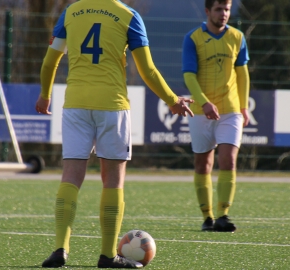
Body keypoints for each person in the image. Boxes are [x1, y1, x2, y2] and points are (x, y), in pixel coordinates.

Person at [36, 0, 194, 268]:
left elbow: (51, 61)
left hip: (75, 104)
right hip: (112, 106)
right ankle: (108, 256)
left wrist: (45, 95)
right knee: (113, 181)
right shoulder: (128, 15)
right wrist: (171, 99)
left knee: (71, 176)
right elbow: (148, 69)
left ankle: (60, 249)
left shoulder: (71, 11)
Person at [181, 0, 250, 232]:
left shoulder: (238, 37)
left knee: (228, 159)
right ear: (208, 11)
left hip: (230, 110)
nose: (224, 14)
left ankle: (223, 215)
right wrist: (204, 102)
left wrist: (243, 106)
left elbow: (242, 74)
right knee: (203, 164)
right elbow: (189, 76)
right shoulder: (193, 39)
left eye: (227, 9)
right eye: (219, 9)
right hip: (201, 111)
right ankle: (207, 216)